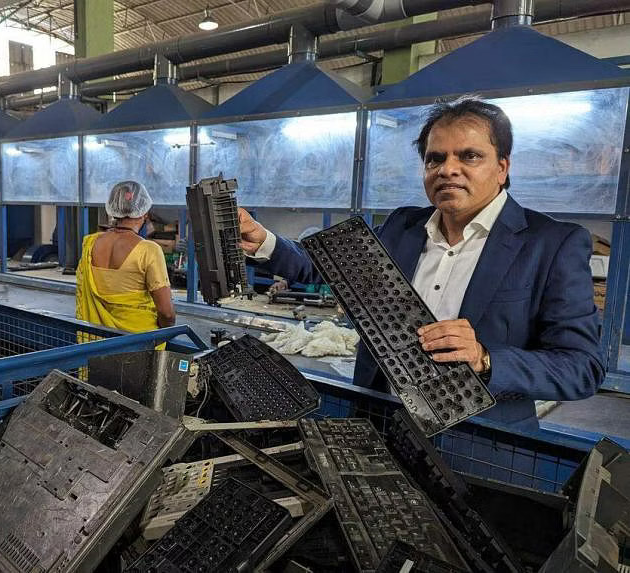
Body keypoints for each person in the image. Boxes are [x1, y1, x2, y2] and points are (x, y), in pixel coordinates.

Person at [239, 96, 604, 431]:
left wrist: (486, 358)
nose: (448, 170)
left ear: (502, 168)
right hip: (380, 427)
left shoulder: (551, 243)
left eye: (469, 156)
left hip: (480, 443)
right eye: (436, 159)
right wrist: (265, 241)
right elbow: (326, 267)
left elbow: (581, 367)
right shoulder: (403, 227)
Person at [76, 181, 175, 333]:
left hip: (95, 343)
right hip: (138, 344)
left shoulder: (90, 244)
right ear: (145, 212)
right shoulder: (149, 250)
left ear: (112, 209)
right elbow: (167, 314)